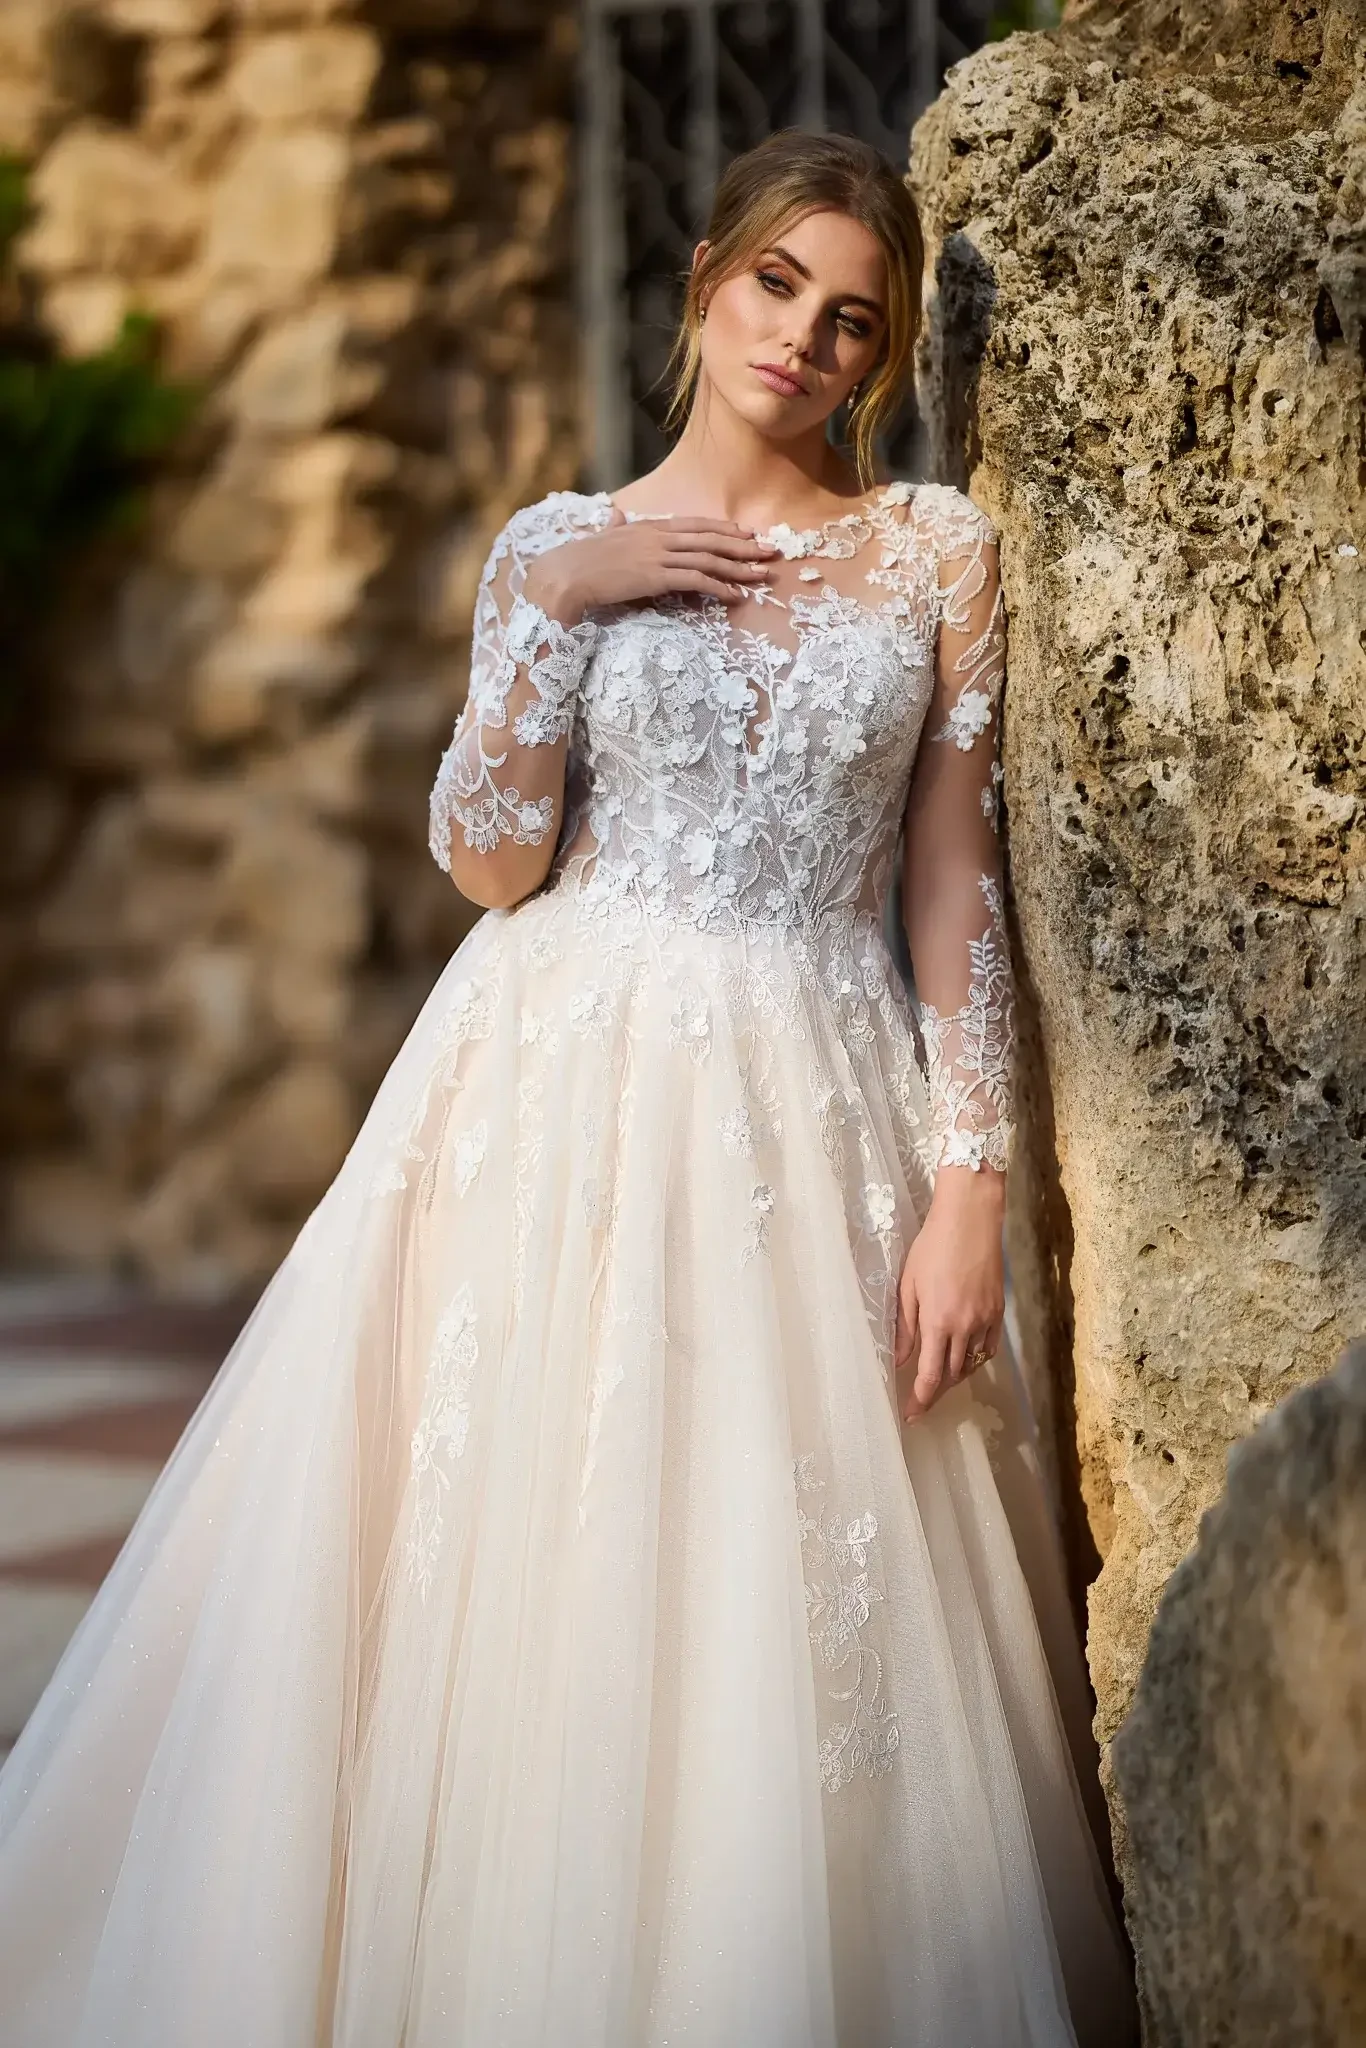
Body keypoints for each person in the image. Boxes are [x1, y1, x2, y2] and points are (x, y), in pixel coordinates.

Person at [0, 127, 1136, 2045]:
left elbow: (952, 879)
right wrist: (567, 595)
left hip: (811, 1084)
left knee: (793, 1586)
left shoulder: (932, 549)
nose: (805, 339)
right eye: (777, 286)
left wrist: (966, 1180)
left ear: (881, 356)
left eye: (852, 319)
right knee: (523, 1547)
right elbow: (487, 860)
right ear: (704, 280)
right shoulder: (552, 541)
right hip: (550, 1087)